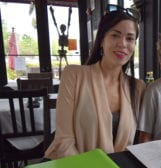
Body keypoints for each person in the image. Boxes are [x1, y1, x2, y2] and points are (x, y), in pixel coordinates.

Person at [45, 4, 145, 159]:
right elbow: (64, 142)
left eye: (130, 38)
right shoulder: (74, 75)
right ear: (101, 40)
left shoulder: (138, 87)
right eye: (115, 35)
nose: (123, 44)